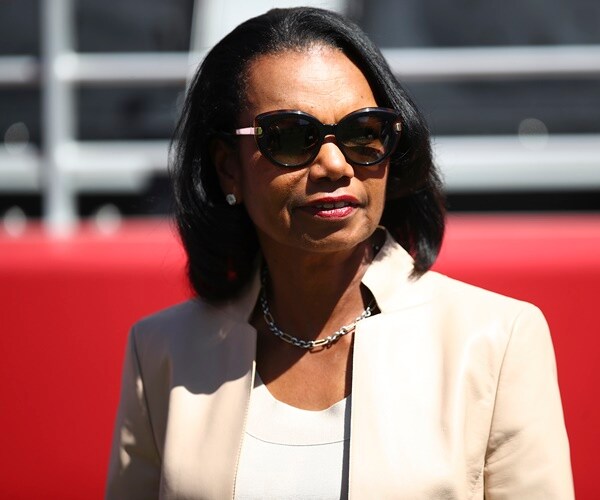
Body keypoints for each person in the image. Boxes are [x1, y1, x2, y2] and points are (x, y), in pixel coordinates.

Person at [106, 7, 573, 499]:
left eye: (363, 133)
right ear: (228, 168)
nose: (334, 164)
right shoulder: (162, 351)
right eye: (289, 137)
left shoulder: (496, 339)